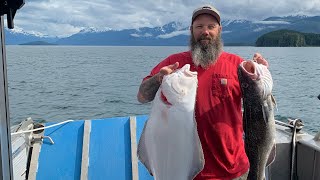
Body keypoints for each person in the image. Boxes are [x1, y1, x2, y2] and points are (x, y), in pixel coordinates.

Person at [137, 4, 269, 180]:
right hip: (183, 172)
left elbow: (258, 103)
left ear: (219, 30)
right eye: (199, 26)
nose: (205, 31)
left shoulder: (237, 65)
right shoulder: (173, 63)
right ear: (191, 30)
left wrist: (260, 74)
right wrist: (158, 79)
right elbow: (142, 96)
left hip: (232, 171)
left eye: (211, 26)